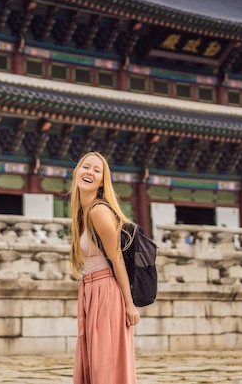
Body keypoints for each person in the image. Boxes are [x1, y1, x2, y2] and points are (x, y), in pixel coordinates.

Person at [69, 151, 139, 384]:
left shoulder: (99, 210)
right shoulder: (82, 212)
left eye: (96, 170)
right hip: (90, 291)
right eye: (85, 166)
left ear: (101, 181)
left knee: (105, 365)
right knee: (94, 363)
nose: (89, 172)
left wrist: (129, 305)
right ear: (77, 171)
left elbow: (117, 258)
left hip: (106, 291)